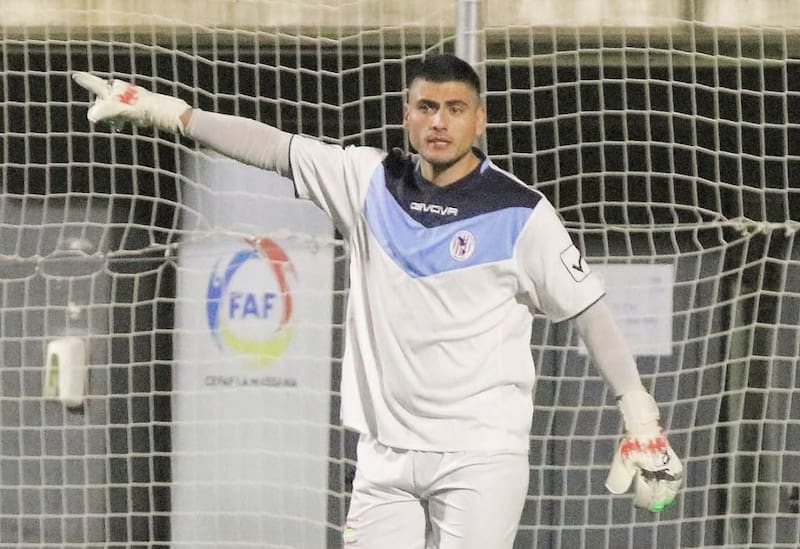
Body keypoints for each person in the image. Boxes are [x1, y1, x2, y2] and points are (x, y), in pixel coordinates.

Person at [73, 54, 682, 549]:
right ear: (407, 115)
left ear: (480, 120)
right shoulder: (365, 180)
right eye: (426, 107)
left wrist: (641, 417)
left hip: (480, 456)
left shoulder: (522, 212)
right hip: (383, 458)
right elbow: (270, 145)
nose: (439, 121)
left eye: (455, 108)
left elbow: (589, 310)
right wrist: (164, 111)